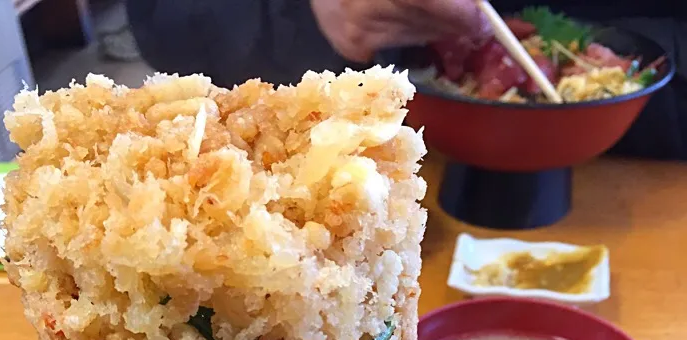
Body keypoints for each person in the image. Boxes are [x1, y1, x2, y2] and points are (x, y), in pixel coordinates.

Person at [127, 0, 686, 160]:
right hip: (361, 159)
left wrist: (600, 55)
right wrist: (304, 13)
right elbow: (163, 18)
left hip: (644, 157)